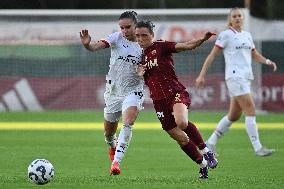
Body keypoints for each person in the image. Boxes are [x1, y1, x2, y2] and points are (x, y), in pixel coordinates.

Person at [135, 20, 218, 179]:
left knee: (182, 122)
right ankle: (202, 164)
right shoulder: (139, 57)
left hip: (175, 93)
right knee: (180, 138)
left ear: (152, 35)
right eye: (137, 36)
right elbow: (138, 81)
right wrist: (139, 74)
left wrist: (202, 39)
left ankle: (207, 151)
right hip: (158, 101)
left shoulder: (162, 46)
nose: (140, 39)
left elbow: (186, 45)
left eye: (144, 35)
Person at [195, 7, 277, 157]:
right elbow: (212, 56)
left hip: (246, 77)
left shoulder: (247, 35)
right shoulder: (226, 35)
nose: (238, 18)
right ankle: (258, 148)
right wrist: (201, 75)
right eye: (234, 16)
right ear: (230, 19)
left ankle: (210, 143)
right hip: (234, 77)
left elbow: (254, 54)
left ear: (242, 18)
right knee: (250, 109)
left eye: (240, 15)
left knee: (234, 116)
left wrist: (267, 61)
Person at [80, 11, 144, 175]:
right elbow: (95, 47)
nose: (124, 31)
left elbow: (149, 67)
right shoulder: (116, 38)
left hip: (133, 90)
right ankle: (112, 146)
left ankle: (116, 163)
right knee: (109, 133)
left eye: (128, 27)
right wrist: (88, 45)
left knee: (128, 122)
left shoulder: (145, 44)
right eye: (122, 27)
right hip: (114, 91)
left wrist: (143, 71)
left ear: (136, 25)